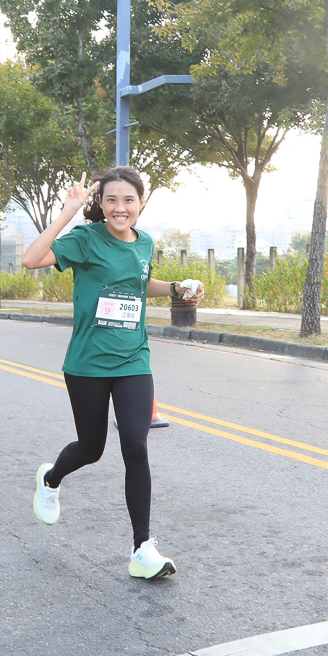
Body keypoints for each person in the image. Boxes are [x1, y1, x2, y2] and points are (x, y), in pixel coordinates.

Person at [20, 167, 204, 579]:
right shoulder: (85, 239)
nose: (120, 208)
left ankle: (142, 549)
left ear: (141, 203)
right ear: (100, 205)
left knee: (135, 446)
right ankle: (51, 479)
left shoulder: (145, 242)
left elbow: (139, 283)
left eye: (128, 200)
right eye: (111, 200)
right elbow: (31, 260)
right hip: (87, 364)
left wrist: (176, 286)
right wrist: (68, 211)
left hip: (133, 360)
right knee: (91, 449)